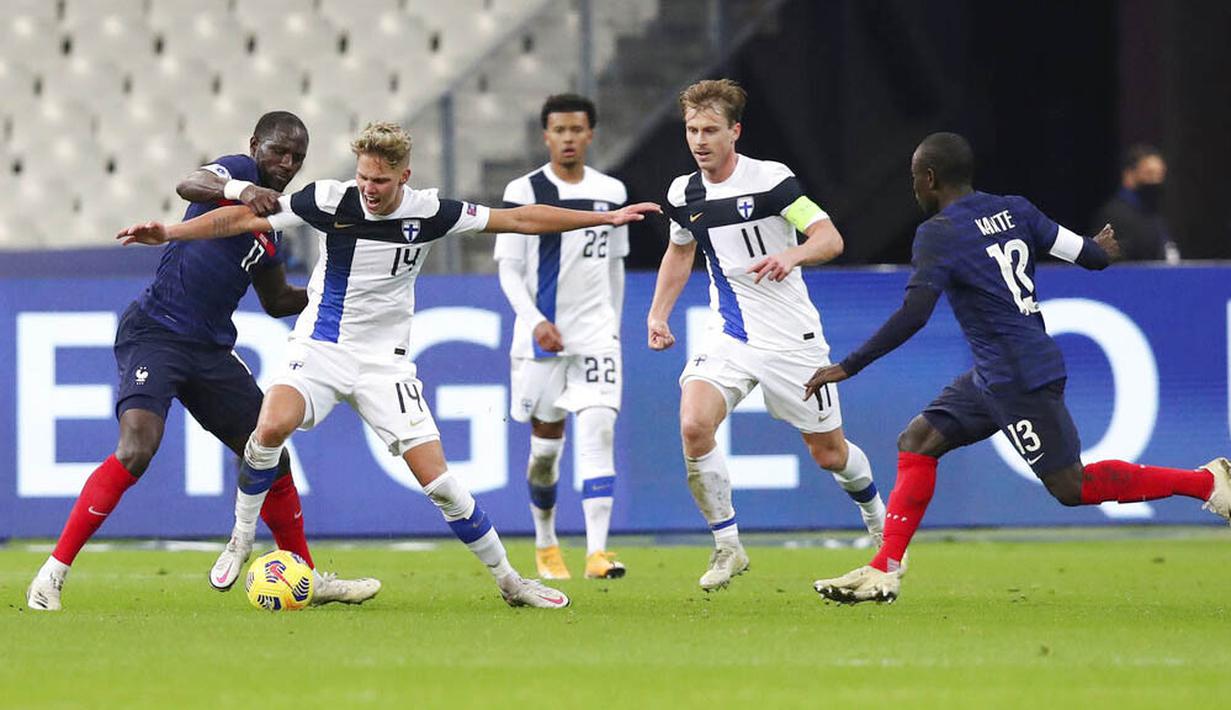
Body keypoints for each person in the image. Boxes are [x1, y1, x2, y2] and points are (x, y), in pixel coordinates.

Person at [116, 122, 660, 609]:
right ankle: (240, 539)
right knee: (268, 427)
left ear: (405, 176)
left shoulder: (431, 211)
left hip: (386, 366)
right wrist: (171, 231)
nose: (369, 190)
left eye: (380, 181)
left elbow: (518, 218)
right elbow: (235, 220)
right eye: (363, 178)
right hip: (322, 348)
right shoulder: (330, 199)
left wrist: (604, 217)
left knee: (441, 484)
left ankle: (511, 581)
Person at [808, 132, 1231, 605]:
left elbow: (915, 314)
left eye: (914, 179)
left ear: (929, 179)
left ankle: (1206, 482)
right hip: (995, 372)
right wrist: (1099, 247)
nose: (914, 189)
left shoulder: (938, 233)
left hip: (1018, 376)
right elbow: (1091, 257)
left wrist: (849, 365)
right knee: (918, 441)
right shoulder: (1015, 209)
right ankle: (885, 568)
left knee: (1073, 487)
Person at [27, 111, 380, 611]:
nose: (286, 163)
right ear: (255, 144)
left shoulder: (272, 229)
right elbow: (189, 183)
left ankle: (304, 574)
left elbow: (278, 300)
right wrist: (240, 190)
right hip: (157, 332)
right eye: (278, 151)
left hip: (210, 350)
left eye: (297, 157)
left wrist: (339, 292)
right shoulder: (236, 173)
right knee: (137, 448)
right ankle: (51, 575)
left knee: (269, 451)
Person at [646, 79, 885, 592]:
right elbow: (681, 250)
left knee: (830, 455)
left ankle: (880, 526)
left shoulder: (772, 181)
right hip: (728, 334)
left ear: (735, 131)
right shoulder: (682, 193)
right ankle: (728, 546)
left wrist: (791, 254)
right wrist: (658, 314)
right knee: (693, 424)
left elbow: (829, 237)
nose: (699, 140)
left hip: (790, 340)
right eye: (691, 130)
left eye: (710, 129)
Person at [494, 94, 629, 581]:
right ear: (546, 135)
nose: (569, 138)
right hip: (541, 339)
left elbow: (614, 267)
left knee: (599, 430)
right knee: (546, 452)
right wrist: (535, 322)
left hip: (595, 336)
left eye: (577, 129)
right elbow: (509, 271)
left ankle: (598, 552)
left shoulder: (612, 191)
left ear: (590, 134)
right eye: (560, 130)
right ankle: (547, 542)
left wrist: (612, 325)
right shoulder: (522, 189)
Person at [1091, 144, 1178, 263]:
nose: (1157, 180)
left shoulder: (1155, 214)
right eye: (1150, 173)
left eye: (1160, 174)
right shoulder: (1115, 215)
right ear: (1129, 174)